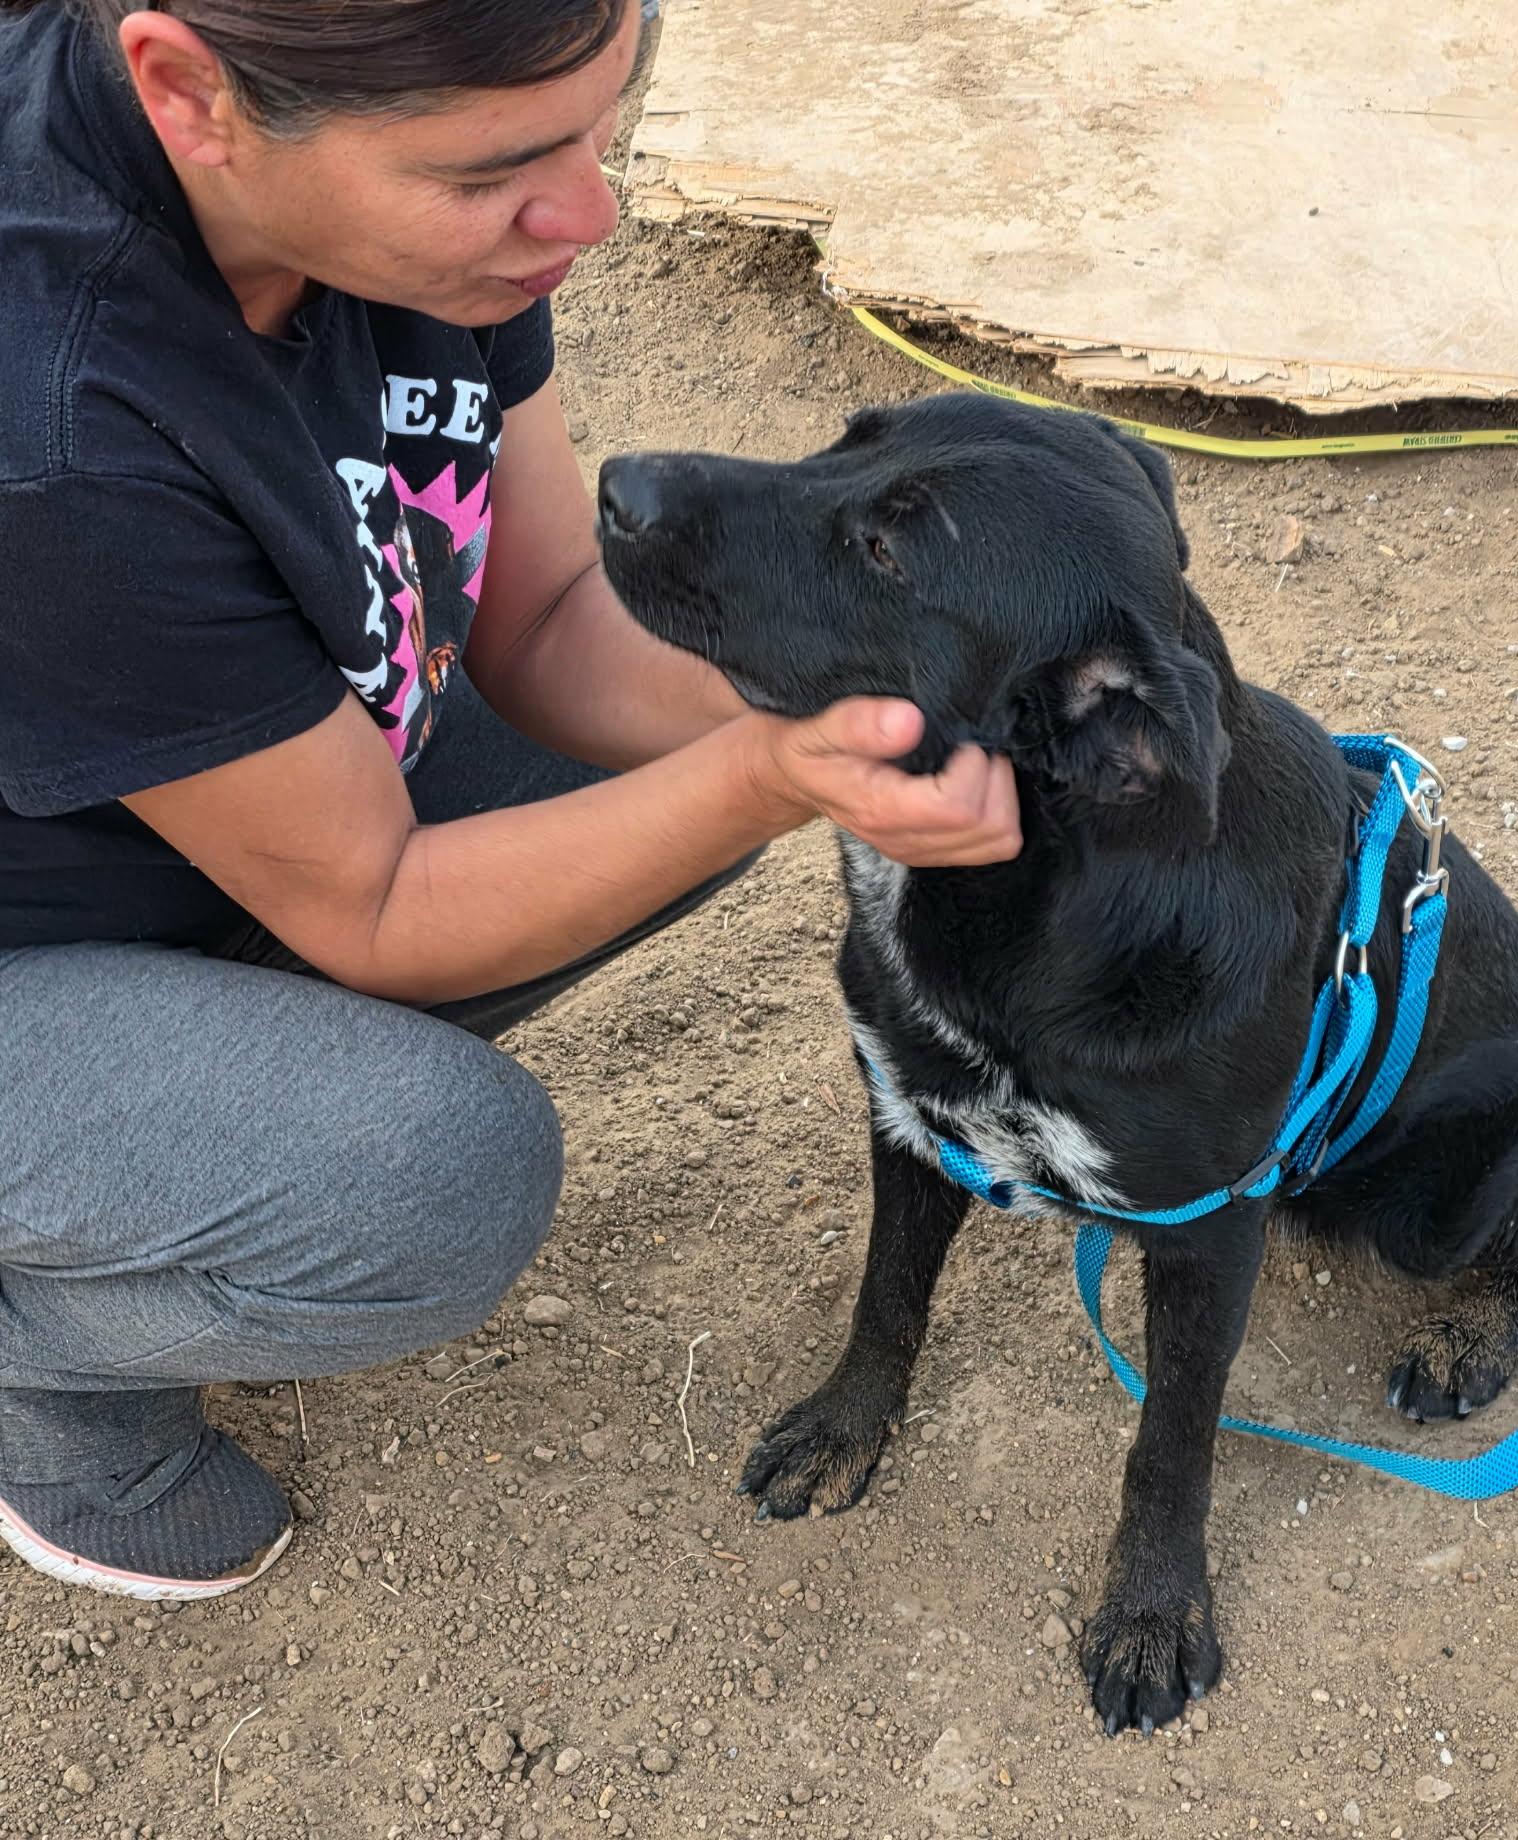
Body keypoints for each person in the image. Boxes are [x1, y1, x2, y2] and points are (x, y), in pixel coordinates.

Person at [0, 0, 1020, 1602]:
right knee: (427, 1180)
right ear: (187, 92)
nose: (589, 214)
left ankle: (181, 1125)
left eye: (604, 122)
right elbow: (381, 908)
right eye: (495, 170)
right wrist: (769, 773)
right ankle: (43, 1360)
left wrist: (899, 705)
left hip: (165, 825)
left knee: (683, 745)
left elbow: (544, 623)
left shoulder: (401, 236)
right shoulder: (51, 421)